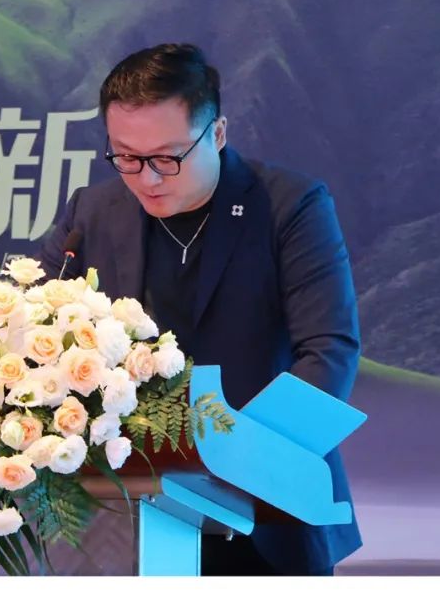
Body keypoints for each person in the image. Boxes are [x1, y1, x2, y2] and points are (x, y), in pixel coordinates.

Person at [36, 42, 362, 576]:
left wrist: (241, 461)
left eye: (167, 158)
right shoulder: (92, 213)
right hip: (122, 519)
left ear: (218, 133)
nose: (147, 178)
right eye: (126, 157)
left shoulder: (288, 206)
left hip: (267, 515)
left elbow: (329, 350)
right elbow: (32, 327)